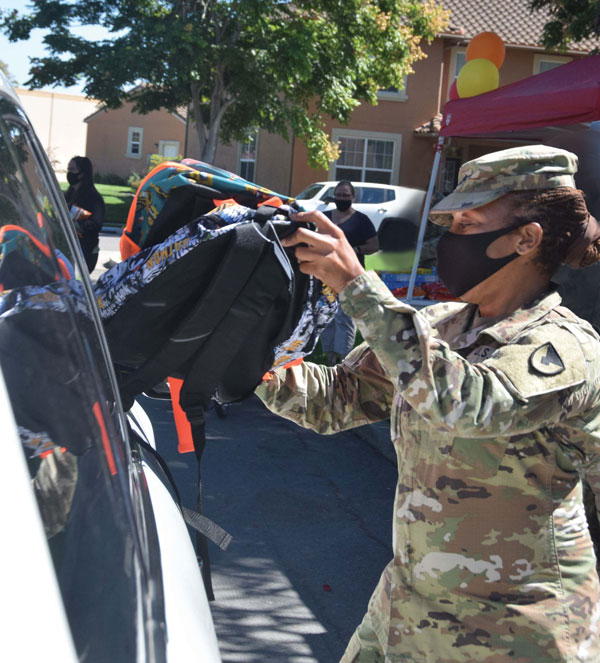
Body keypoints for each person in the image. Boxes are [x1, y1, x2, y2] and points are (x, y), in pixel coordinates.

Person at [256, 145, 600, 662]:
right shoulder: (440, 326)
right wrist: (243, 357)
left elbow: (465, 402)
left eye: (468, 223)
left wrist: (357, 288)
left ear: (526, 239)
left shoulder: (566, 348)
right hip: (407, 610)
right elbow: (335, 400)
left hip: (516, 635)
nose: (449, 238)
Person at [320, 180, 379, 365]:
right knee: (327, 316)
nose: (342, 198)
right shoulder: (325, 217)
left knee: (345, 317)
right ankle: (328, 357)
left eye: (346, 195)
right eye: (339, 195)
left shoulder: (361, 220)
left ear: (353, 197)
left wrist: (355, 249)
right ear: (334, 196)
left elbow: (374, 245)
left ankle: (344, 359)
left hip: (349, 275)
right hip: (325, 274)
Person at [64, 156, 105, 273]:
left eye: (72, 169)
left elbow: (96, 225)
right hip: (68, 250)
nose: (69, 173)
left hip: (85, 253)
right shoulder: (68, 196)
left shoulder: (94, 199)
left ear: (83, 173)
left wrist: (78, 223)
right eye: (68, 169)